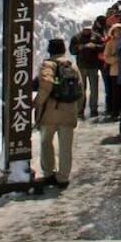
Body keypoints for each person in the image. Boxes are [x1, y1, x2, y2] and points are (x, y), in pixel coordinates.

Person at [34, 39, 84, 188]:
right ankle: (63, 178)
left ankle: (49, 173)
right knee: (65, 147)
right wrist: (78, 109)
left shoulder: (48, 64)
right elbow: (80, 89)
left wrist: (37, 103)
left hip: (51, 111)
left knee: (46, 142)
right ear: (63, 50)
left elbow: (46, 86)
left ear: (50, 50)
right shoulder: (72, 65)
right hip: (69, 111)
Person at [69, 18, 105, 118]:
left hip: (93, 66)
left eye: (88, 29)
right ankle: (80, 110)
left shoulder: (96, 36)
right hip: (81, 66)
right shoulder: (76, 37)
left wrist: (94, 46)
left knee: (94, 89)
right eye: (85, 29)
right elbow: (72, 50)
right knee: (81, 89)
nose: (87, 31)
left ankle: (94, 109)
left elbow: (103, 46)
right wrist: (78, 48)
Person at [103, 23, 121, 119]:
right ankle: (115, 111)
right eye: (116, 31)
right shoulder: (110, 43)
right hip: (115, 71)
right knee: (115, 93)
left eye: (120, 31)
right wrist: (116, 59)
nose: (118, 33)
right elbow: (106, 57)